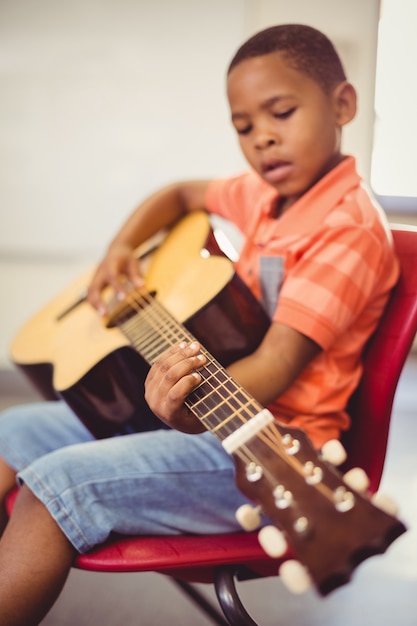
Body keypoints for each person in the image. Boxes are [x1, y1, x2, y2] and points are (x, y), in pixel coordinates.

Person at [0, 24, 398, 625]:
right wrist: (121, 249)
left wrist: (186, 411)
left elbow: (274, 364)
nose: (263, 138)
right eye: (243, 126)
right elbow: (182, 194)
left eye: (282, 112)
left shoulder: (345, 230)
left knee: (53, 486)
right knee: (12, 433)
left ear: (342, 104)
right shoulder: (268, 194)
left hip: (262, 445)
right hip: (207, 407)